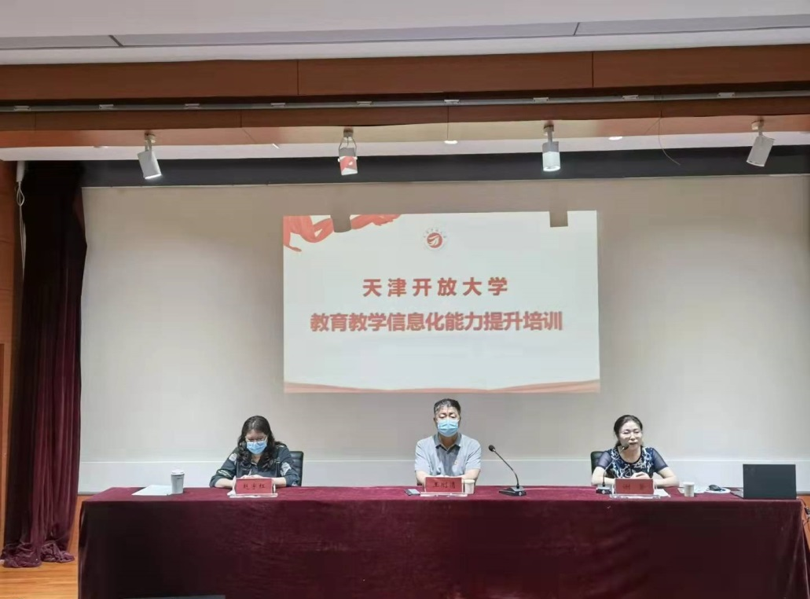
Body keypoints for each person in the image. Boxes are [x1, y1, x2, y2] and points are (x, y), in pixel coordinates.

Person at [210, 415, 300, 489]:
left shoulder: (280, 451)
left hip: (272, 500)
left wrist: (267, 481)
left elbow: (293, 479)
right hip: (243, 500)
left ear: (267, 436)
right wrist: (234, 483)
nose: (255, 443)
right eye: (251, 439)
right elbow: (216, 480)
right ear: (244, 438)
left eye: (260, 439)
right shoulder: (239, 452)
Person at [591, 414, 679, 488]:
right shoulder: (610, 455)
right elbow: (595, 480)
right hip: (619, 500)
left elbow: (674, 481)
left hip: (646, 499)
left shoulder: (650, 453)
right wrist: (628, 482)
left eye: (636, 432)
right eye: (626, 433)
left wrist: (651, 482)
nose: (633, 437)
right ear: (618, 436)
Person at [415, 398, 481, 485]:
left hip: (462, 493)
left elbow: (471, 475)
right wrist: (448, 483)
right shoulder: (423, 445)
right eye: (442, 417)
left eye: (452, 416)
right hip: (432, 493)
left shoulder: (472, 445)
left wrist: (442, 482)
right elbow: (421, 475)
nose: (448, 420)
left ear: (459, 420)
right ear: (435, 421)